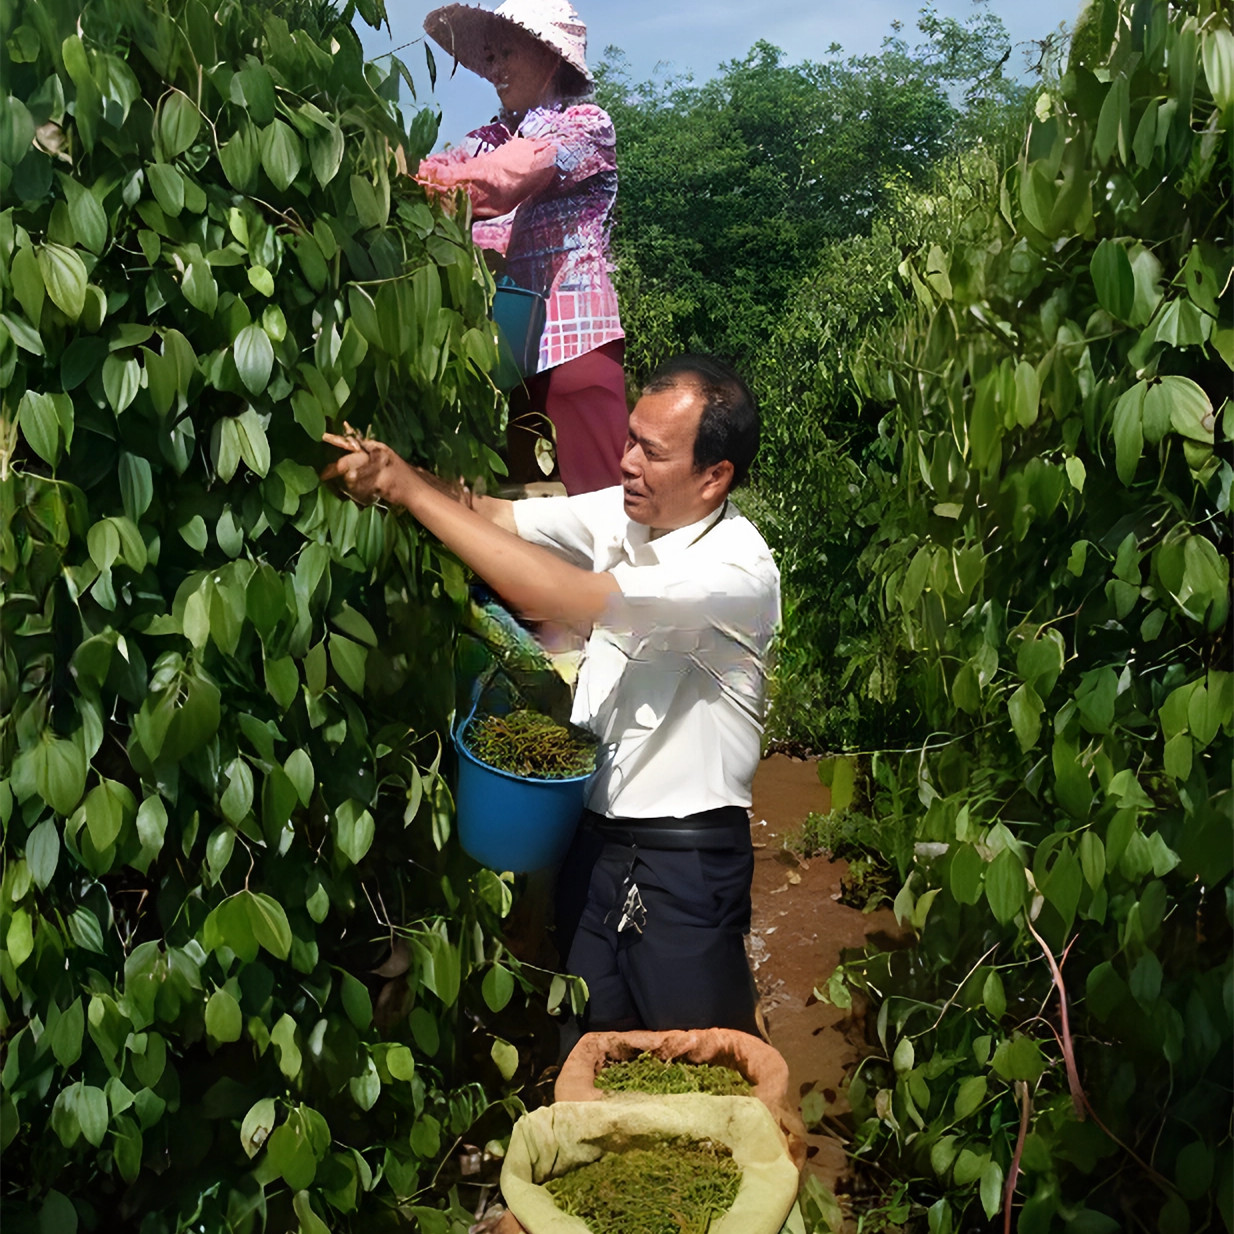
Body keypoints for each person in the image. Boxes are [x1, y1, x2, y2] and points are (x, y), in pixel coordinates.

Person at [322, 355, 780, 1037]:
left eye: (651, 453)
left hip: (685, 865)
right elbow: (496, 517)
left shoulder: (732, 576)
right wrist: (394, 475)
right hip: (596, 844)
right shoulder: (629, 515)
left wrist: (408, 493)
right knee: (590, 1054)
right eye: (628, 439)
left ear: (714, 478)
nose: (626, 462)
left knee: (698, 1076)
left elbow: (551, 592)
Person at [418, 0, 627, 496]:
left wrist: (431, 181)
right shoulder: (485, 140)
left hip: (574, 339)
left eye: (507, 53)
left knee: (601, 500)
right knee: (522, 506)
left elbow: (506, 179)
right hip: (505, 353)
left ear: (549, 55)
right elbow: (440, 179)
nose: (496, 69)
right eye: (490, 57)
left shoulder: (585, 126)